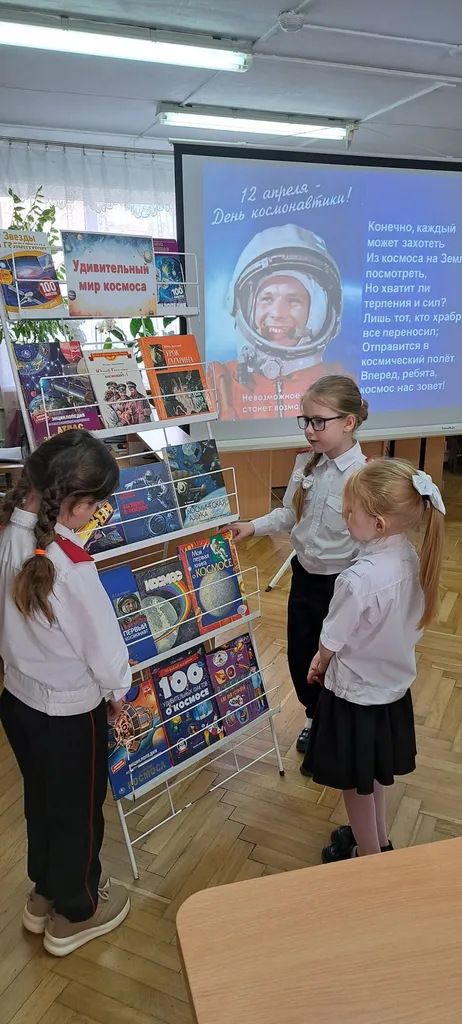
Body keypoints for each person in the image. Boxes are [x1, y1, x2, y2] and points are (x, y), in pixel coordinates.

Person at [0, 430, 132, 956]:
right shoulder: (72, 567)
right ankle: (77, 911)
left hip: (18, 703)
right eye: (96, 504)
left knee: (42, 802)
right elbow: (105, 649)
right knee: (78, 811)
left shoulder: (11, 533)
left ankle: (45, 892)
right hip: (71, 715)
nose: (97, 512)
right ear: (76, 505)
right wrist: (119, 692)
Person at [302, 458, 445, 861]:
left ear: (378, 524)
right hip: (391, 692)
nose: (345, 517)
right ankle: (379, 841)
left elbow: (331, 639)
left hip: (355, 698)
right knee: (372, 776)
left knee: (355, 785)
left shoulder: (358, 579)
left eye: (350, 511)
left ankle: (367, 858)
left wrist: (319, 662)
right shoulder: (412, 558)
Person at [229, 375, 367, 752]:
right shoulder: (305, 463)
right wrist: (253, 526)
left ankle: (337, 724)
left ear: (348, 422)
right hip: (304, 577)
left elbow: (368, 544)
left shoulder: (364, 476)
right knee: (301, 652)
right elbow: (290, 515)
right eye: (305, 420)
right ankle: (312, 716)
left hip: (343, 586)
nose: (309, 430)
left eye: (319, 421)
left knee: (335, 656)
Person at [207, 224, 348, 420]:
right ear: (243, 306)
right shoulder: (219, 384)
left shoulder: (340, 387)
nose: (278, 313)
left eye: (293, 300)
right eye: (267, 298)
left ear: (317, 312)